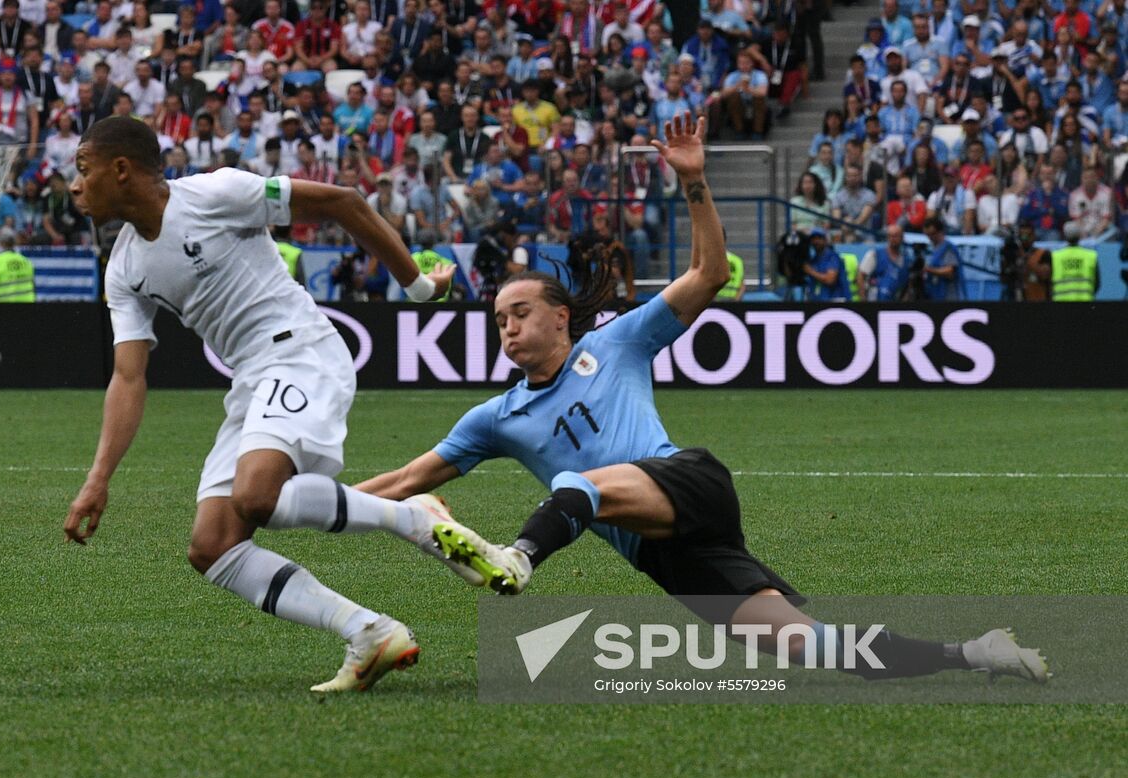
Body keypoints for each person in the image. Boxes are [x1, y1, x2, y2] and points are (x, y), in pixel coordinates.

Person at [355, 111, 1049, 687]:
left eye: (521, 312)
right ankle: (975, 651)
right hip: (663, 552)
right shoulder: (496, 417)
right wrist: (312, 503)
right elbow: (410, 480)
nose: (507, 327)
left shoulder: (619, 341)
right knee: (815, 646)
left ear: (562, 317)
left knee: (574, 483)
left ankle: (519, 558)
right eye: (499, 319)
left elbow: (710, 272)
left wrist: (694, 182)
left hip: (686, 483)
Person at [61, 116, 465, 693]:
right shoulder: (123, 268)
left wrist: (418, 285)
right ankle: (369, 632)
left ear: (120, 169)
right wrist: (98, 478)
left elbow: (344, 202)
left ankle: (413, 516)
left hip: (302, 351)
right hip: (252, 379)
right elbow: (129, 377)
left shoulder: (215, 193)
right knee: (213, 545)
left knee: (256, 494)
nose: (74, 186)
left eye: (83, 170)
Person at [858, 224, 911, 302]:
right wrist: (863, 299)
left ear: (902, 237)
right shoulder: (875, 255)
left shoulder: (906, 260)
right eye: (890, 236)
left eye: (896, 236)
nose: (893, 239)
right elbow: (861, 276)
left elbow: (907, 284)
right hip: (875, 301)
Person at [1049, 221, 1098, 301]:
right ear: (1079, 235)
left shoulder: (1055, 256)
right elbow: (1097, 283)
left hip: (1061, 303)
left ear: (1064, 235)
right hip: (1085, 303)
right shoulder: (1091, 256)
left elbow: (1050, 282)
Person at [803, 227, 850, 302]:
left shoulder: (832, 257)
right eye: (813, 239)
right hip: (817, 301)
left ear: (825, 240)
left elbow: (830, 279)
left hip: (836, 301)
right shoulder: (813, 260)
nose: (816, 241)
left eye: (819, 238)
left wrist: (810, 271)